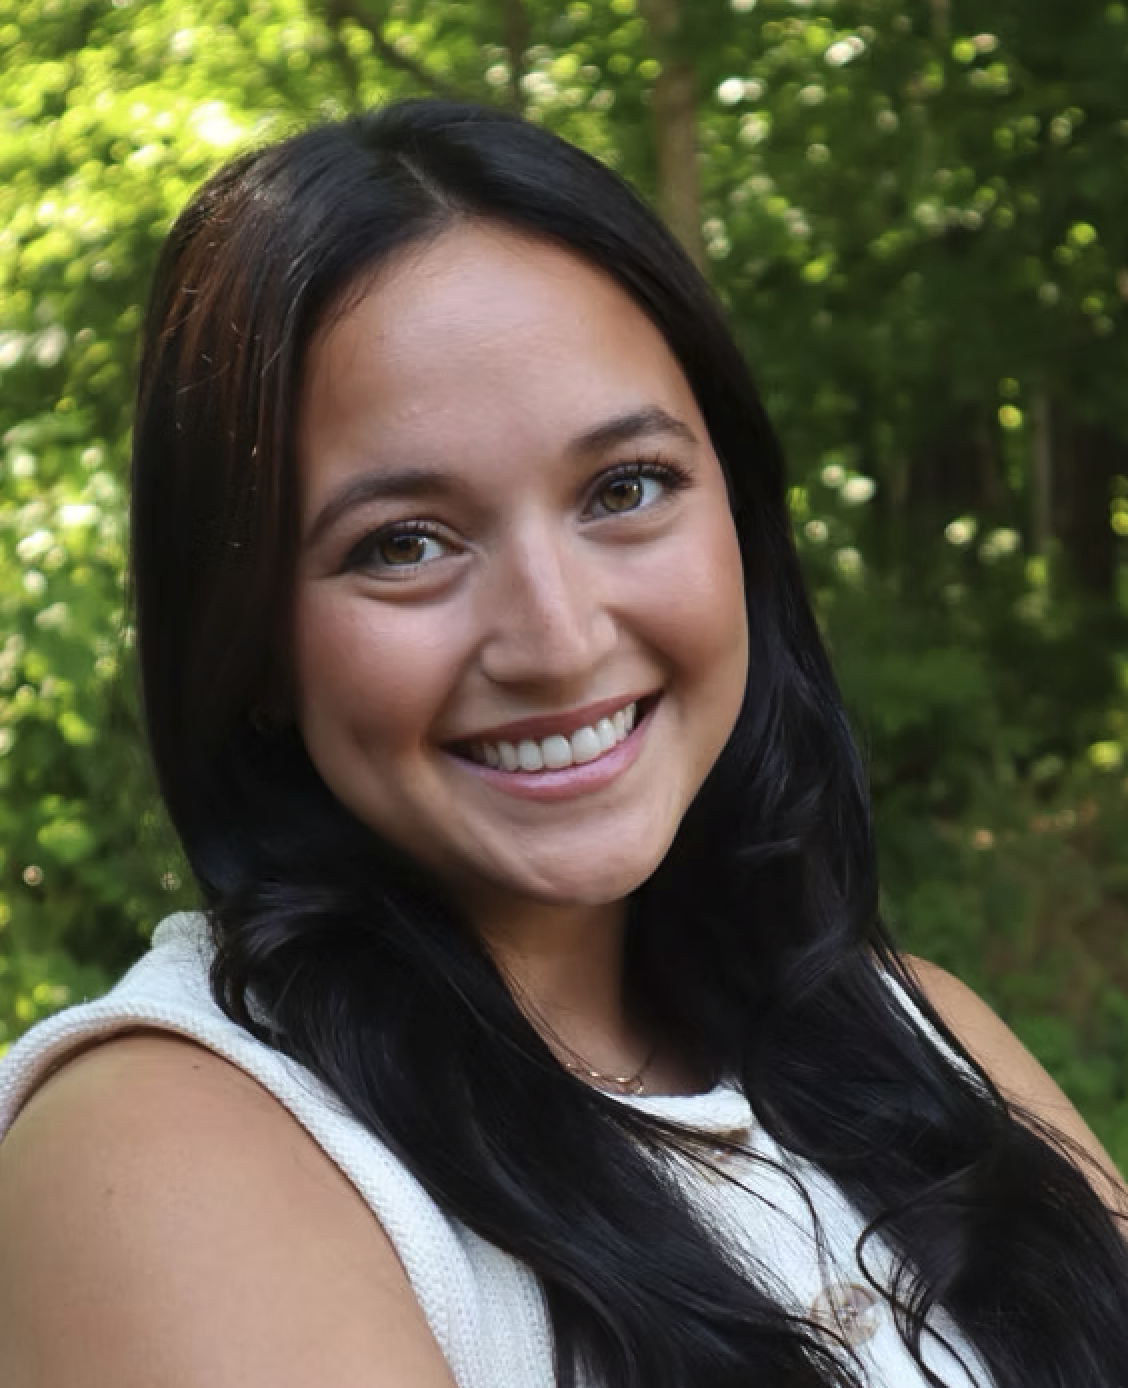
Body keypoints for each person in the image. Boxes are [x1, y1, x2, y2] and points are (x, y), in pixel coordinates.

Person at [0, 99, 1125, 1388]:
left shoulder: (915, 1033)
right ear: (246, 641)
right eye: (404, 543)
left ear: (741, 522)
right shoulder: (173, 1154)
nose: (556, 636)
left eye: (624, 487)